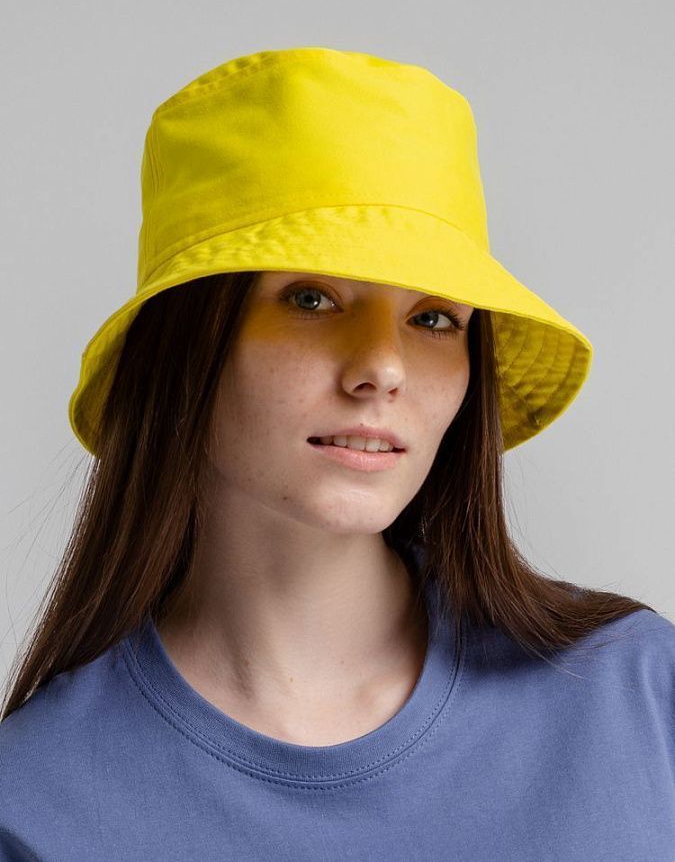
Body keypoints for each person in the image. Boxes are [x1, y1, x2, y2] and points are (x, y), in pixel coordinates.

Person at [1, 46, 673, 861]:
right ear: (186, 344)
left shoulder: (635, 696)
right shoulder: (36, 805)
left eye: (433, 319)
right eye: (311, 299)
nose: (382, 369)